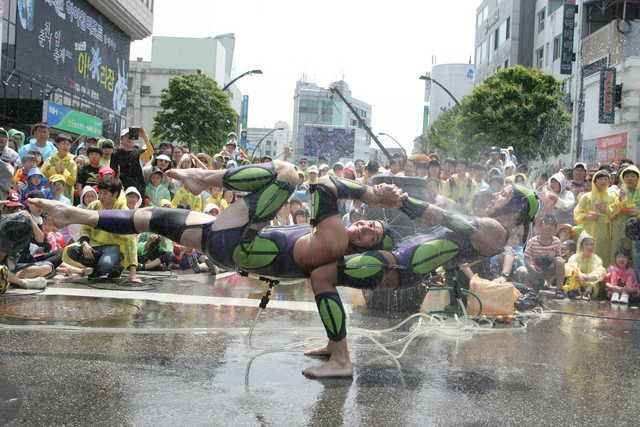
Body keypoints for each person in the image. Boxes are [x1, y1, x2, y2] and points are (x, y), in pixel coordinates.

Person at [62, 178, 139, 283]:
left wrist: (133, 274)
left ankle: (115, 267)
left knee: (106, 264)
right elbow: (85, 228)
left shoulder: (123, 211)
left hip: (114, 247)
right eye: (100, 193)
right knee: (70, 251)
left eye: (105, 193)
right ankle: (96, 269)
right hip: (94, 247)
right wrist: (85, 244)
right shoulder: (93, 206)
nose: (101, 196)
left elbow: (131, 241)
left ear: (115, 194)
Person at [573, 170, 614, 267]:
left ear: (609, 182)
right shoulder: (586, 197)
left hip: (605, 233)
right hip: (589, 231)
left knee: (604, 255)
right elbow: (577, 212)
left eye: (605, 179)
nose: (603, 182)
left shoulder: (611, 197)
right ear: (595, 182)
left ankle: (602, 280)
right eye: (600, 179)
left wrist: (606, 210)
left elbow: (615, 213)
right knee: (587, 255)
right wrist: (587, 216)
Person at [515, 215, 565, 290]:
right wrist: (531, 266)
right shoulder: (532, 241)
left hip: (548, 268)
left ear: (555, 229)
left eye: (551, 226)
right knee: (522, 271)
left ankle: (559, 289)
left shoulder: (556, 241)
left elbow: (559, 259)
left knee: (560, 262)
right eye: (546, 225)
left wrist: (554, 256)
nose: (548, 228)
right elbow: (526, 258)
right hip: (534, 267)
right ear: (540, 227)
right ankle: (530, 287)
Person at [111, 127, 154, 200]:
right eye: (127, 136)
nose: (129, 139)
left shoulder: (139, 153)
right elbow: (113, 172)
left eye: (131, 136)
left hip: (138, 189)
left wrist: (144, 135)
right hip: (122, 189)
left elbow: (150, 151)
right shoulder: (116, 154)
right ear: (121, 139)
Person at [610, 165, 640, 263]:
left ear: (637, 178)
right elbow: (611, 212)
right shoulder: (617, 193)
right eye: (626, 176)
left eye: (632, 176)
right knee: (619, 253)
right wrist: (620, 200)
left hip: (637, 230)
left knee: (636, 254)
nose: (629, 178)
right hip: (619, 230)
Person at [564, 232, 606, 300]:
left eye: (592, 244)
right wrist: (579, 275)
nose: (590, 247)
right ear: (581, 246)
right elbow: (570, 267)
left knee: (603, 270)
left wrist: (587, 277)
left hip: (590, 285)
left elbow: (599, 272)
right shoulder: (575, 257)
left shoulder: (597, 259)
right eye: (586, 244)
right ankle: (576, 293)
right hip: (576, 282)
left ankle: (586, 294)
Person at [42, 133, 76, 200]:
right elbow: (42, 177)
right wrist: (54, 170)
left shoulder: (72, 163)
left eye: (68, 144)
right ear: (57, 144)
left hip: (66, 196)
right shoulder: (50, 160)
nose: (65, 146)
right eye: (63, 144)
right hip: (49, 195)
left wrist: (64, 172)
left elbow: (73, 182)